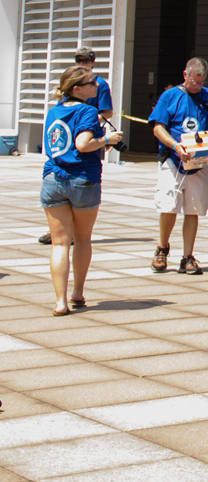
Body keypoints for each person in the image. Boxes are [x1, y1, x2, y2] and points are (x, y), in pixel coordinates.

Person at [42, 66, 122, 314]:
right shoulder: (87, 110)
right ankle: (77, 293)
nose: (97, 86)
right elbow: (83, 144)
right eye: (91, 83)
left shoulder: (53, 111)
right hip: (83, 179)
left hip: (53, 178)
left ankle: (60, 301)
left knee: (60, 243)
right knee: (83, 238)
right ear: (76, 88)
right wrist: (108, 140)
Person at [38, 48, 116, 247]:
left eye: (85, 60)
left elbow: (107, 111)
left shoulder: (99, 86)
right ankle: (62, 231)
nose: (81, 63)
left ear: (93, 61)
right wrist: (103, 139)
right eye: (78, 60)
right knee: (76, 241)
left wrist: (92, 129)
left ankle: (64, 232)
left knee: (64, 243)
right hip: (69, 165)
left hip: (80, 148)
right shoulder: (71, 84)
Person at [148, 58, 208, 276]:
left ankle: (188, 256)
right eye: (194, 82)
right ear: (185, 75)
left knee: (193, 208)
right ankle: (162, 247)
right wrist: (175, 145)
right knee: (169, 205)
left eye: (201, 82)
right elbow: (158, 127)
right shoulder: (171, 96)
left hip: (198, 162)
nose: (197, 86)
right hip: (173, 159)